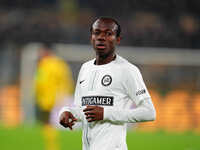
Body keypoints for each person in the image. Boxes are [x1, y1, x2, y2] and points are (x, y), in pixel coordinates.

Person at [59, 17, 156, 150]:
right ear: (91, 37)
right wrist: (67, 112)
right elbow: (83, 111)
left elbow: (149, 112)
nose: (101, 37)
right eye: (97, 32)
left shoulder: (127, 70)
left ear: (118, 39)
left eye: (108, 33)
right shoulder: (85, 68)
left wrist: (106, 113)